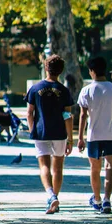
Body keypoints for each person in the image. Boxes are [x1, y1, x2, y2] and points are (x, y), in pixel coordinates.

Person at [24, 54, 74, 214]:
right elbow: (67, 116)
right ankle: (55, 200)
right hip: (59, 132)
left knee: (44, 165)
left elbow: (29, 113)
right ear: (61, 70)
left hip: (40, 132)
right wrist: (70, 138)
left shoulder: (35, 88)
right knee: (58, 167)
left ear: (46, 68)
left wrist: (32, 130)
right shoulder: (64, 90)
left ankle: (51, 196)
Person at [77, 57, 112, 214]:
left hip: (94, 134)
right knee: (110, 166)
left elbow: (83, 115)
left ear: (92, 71)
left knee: (95, 168)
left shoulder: (87, 90)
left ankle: (97, 199)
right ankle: (107, 200)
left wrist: (80, 137)